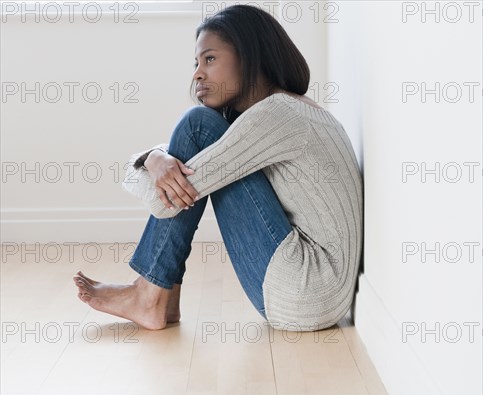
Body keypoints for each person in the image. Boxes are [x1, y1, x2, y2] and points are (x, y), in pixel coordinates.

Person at [73, 4, 363, 332]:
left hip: (304, 292)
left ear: (251, 56)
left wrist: (154, 162)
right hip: (316, 292)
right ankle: (156, 296)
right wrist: (154, 158)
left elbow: (161, 202)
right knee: (197, 135)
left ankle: (150, 294)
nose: (197, 73)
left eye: (210, 59)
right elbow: (158, 178)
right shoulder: (286, 109)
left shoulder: (275, 116)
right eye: (196, 63)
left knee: (196, 125)